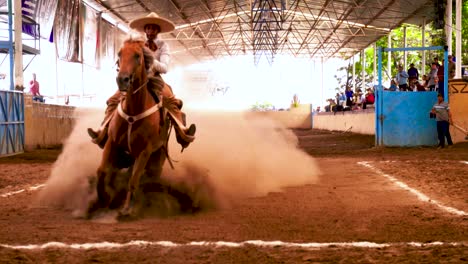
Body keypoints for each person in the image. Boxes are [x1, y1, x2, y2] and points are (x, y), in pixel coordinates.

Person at [87, 12, 196, 150]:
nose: (151, 31)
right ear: (145, 29)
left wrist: (149, 60)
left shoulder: (163, 46)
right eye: (148, 28)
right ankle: (102, 130)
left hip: (155, 78)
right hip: (135, 78)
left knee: (171, 101)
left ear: (158, 30)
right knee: (113, 100)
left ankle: (183, 131)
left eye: (154, 28)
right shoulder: (136, 44)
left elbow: (165, 68)